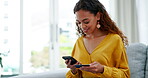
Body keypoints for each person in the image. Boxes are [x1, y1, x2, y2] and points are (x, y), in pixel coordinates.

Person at [64, 0, 130, 78]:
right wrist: (74, 70)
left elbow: (125, 75)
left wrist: (103, 70)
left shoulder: (114, 40)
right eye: (79, 22)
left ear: (98, 16)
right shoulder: (79, 42)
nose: (82, 26)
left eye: (86, 22)